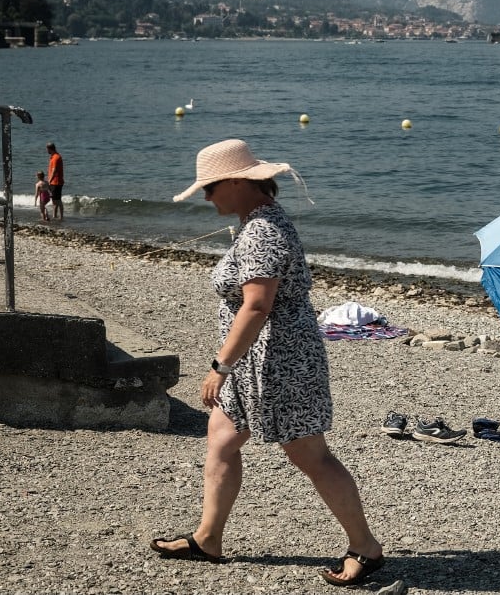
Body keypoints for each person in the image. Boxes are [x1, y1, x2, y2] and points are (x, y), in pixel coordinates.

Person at [150, 139, 384, 587]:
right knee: (221, 440)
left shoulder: (263, 231)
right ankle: (208, 538)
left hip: (281, 362)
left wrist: (218, 367)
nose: (206, 196)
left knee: (309, 455)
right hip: (253, 361)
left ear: (239, 182)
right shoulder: (255, 223)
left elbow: (256, 307)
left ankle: (366, 548)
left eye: (211, 187)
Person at [45, 143, 64, 220]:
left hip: (56, 182)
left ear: (50, 149)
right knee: (54, 200)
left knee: (58, 200)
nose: (46, 151)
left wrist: (49, 181)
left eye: (47, 149)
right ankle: (54, 215)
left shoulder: (56, 157)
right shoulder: (53, 157)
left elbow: (54, 170)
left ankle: (61, 217)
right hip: (54, 182)